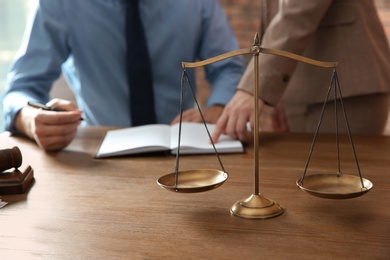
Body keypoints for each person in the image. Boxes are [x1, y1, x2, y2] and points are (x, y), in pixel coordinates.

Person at [1, 0, 244, 151]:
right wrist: (30, 119)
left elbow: (228, 66)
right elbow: (21, 88)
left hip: (184, 148)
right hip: (97, 152)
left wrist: (218, 107)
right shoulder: (60, 4)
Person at [212, 0, 390, 143]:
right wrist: (278, 91)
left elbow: (298, 9)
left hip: (346, 85)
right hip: (301, 85)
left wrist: (256, 85)